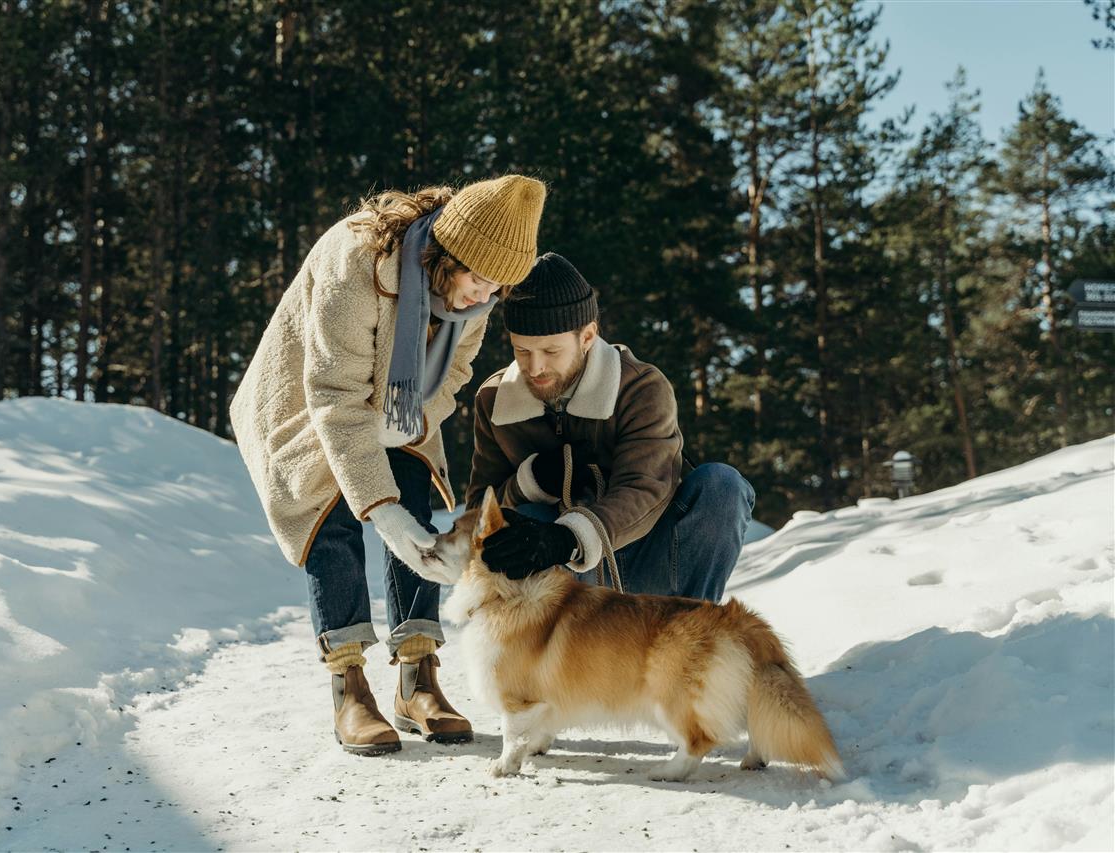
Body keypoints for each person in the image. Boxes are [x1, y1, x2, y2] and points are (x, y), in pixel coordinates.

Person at [230, 176, 546, 755]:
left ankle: (418, 677)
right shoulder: (358, 260)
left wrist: (404, 424)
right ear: (446, 257)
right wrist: (384, 514)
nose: (484, 298)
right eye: (478, 280)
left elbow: (454, 373)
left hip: (396, 404)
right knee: (333, 517)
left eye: (498, 288)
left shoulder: (475, 295)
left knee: (417, 503)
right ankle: (349, 684)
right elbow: (332, 395)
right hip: (304, 403)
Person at [466, 252, 754, 600]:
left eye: (551, 351)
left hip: (652, 564)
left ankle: (691, 631)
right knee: (519, 517)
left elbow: (647, 487)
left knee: (722, 485)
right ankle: (546, 650)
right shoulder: (495, 400)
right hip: (567, 591)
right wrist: (531, 482)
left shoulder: (641, 387)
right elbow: (481, 509)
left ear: (587, 337)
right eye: (522, 350)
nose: (535, 367)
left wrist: (568, 538)